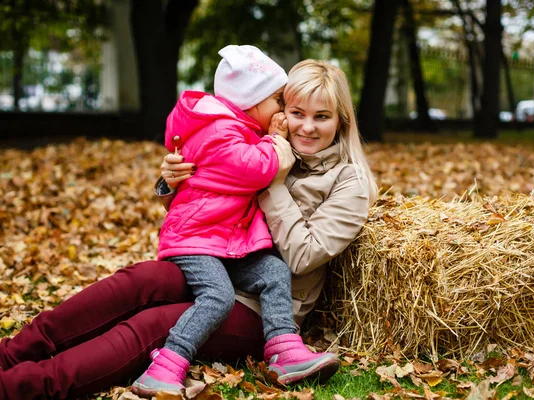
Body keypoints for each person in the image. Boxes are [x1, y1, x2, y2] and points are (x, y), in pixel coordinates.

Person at [0, 58, 377, 400]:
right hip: (218, 260)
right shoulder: (264, 141)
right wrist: (172, 182)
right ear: (282, 109)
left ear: (341, 121)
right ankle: (11, 354)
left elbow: (303, 256)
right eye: (297, 111)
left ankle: (22, 387)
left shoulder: (348, 181)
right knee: (137, 280)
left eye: (322, 117)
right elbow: (209, 198)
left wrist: (271, 182)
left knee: (152, 325)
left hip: (263, 304)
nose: (307, 127)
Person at [132, 44, 337, 397]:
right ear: (252, 101)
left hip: (223, 241)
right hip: (196, 241)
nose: (282, 112)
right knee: (217, 296)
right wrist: (275, 139)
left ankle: (284, 350)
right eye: (277, 100)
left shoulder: (236, 128)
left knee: (273, 271)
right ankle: (166, 364)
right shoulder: (222, 133)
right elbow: (259, 169)